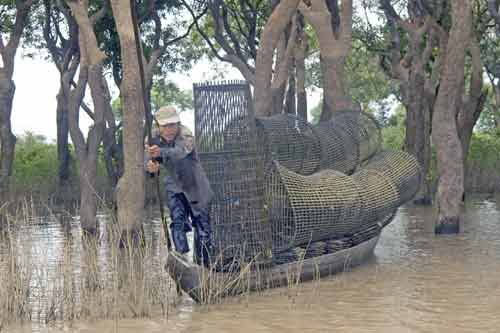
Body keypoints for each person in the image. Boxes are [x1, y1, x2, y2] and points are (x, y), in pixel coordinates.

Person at [145, 105, 213, 266]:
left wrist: (160, 152)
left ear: (178, 123)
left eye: (172, 125)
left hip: (197, 187)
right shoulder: (151, 139)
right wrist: (151, 168)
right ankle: (183, 265)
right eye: (165, 125)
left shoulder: (186, 134)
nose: (169, 129)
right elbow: (147, 164)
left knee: (203, 229)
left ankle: (204, 267)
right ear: (158, 126)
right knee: (177, 223)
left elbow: (181, 152)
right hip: (174, 187)